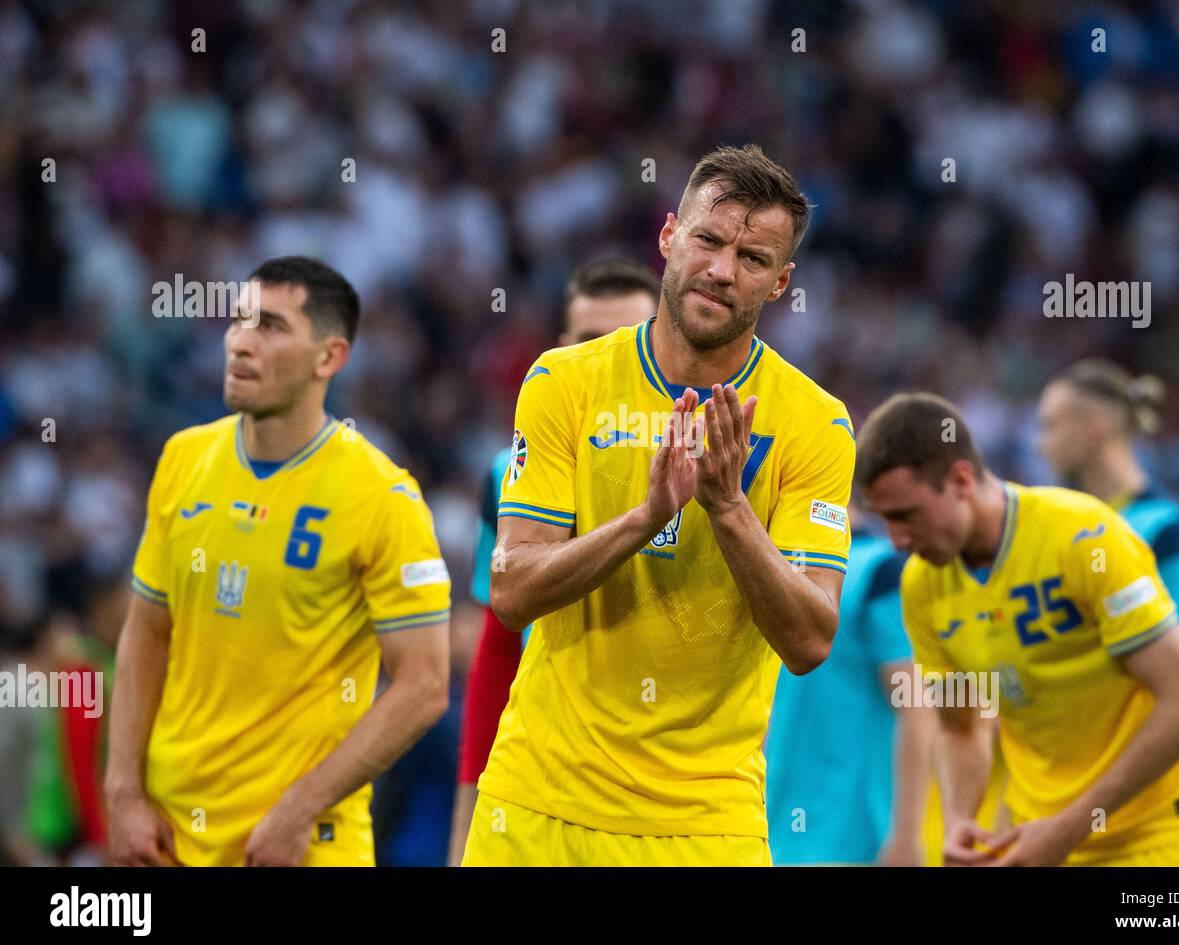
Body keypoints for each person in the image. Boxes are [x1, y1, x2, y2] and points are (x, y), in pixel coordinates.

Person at [461, 144, 856, 866]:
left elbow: (810, 641)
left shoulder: (815, 424)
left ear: (780, 282)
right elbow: (512, 592)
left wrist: (729, 510)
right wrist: (645, 519)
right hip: (539, 801)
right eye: (708, 240)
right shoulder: (564, 381)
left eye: (753, 258)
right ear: (670, 236)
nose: (721, 270)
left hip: (705, 823)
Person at [107, 256, 451, 866]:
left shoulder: (381, 495)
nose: (240, 342)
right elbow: (147, 632)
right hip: (168, 838)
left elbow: (423, 686)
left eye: (270, 326)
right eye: (238, 321)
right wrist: (124, 790)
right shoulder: (183, 459)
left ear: (330, 357)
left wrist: (300, 807)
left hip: (300, 844)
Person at [858, 392, 1179, 866]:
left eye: (905, 515)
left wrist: (1069, 826)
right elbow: (961, 726)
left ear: (959, 480)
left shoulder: (1084, 537)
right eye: (884, 521)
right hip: (1039, 843)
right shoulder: (921, 584)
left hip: (1165, 836)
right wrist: (959, 817)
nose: (896, 540)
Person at [448, 256, 659, 865]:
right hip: (543, 784)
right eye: (591, 341)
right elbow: (497, 649)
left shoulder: (714, 469)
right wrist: (466, 820)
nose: (606, 359)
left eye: (629, 341)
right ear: (563, 346)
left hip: (676, 792)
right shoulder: (507, 475)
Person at [764, 505, 932, 866]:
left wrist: (905, 836)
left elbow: (917, 708)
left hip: (855, 843)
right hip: (769, 836)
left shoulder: (880, 572)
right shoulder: (766, 565)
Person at [1038, 360, 1179, 679]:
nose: (1041, 445)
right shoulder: (1059, 523)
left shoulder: (1168, 528)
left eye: (1050, 426)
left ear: (1094, 427)